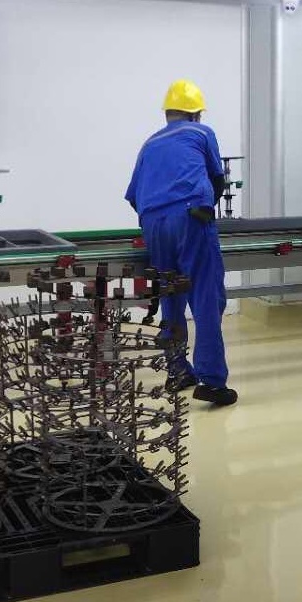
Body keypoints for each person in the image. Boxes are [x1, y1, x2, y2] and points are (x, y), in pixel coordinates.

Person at [125, 79, 237, 406]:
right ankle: (212, 382)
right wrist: (200, 210)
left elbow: (133, 196)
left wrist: (159, 217)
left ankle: (177, 371)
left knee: (171, 295)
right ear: (195, 114)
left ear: (168, 114)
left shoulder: (149, 144)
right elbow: (217, 179)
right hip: (190, 215)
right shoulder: (201, 133)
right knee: (205, 296)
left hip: (152, 222)